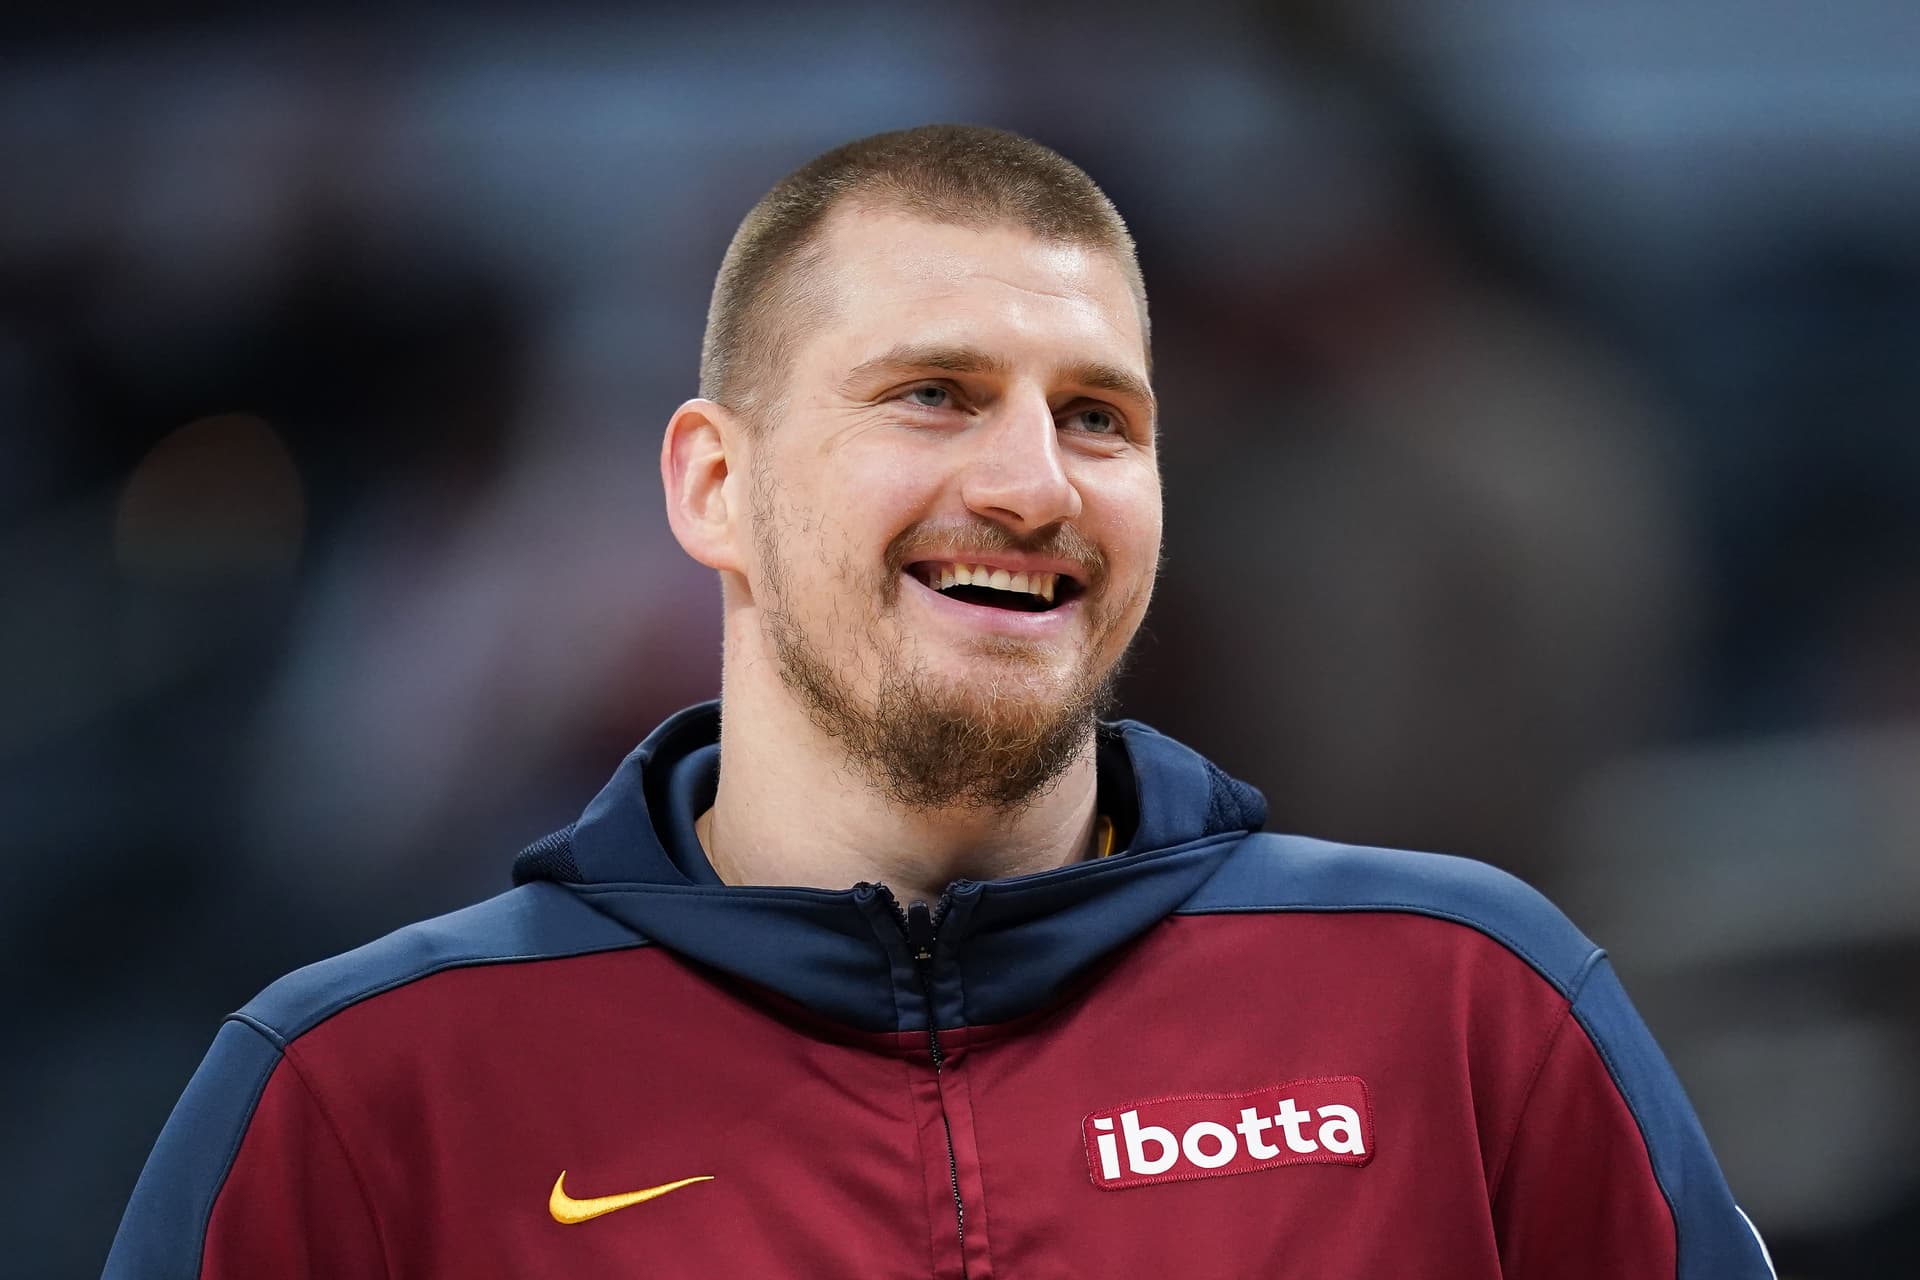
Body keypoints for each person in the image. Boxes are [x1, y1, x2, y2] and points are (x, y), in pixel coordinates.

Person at [106, 125, 1773, 1279]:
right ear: (714, 487)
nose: (1035, 485)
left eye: (1100, 417)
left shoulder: (1469, 1009)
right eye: (933, 394)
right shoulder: (358, 1095)